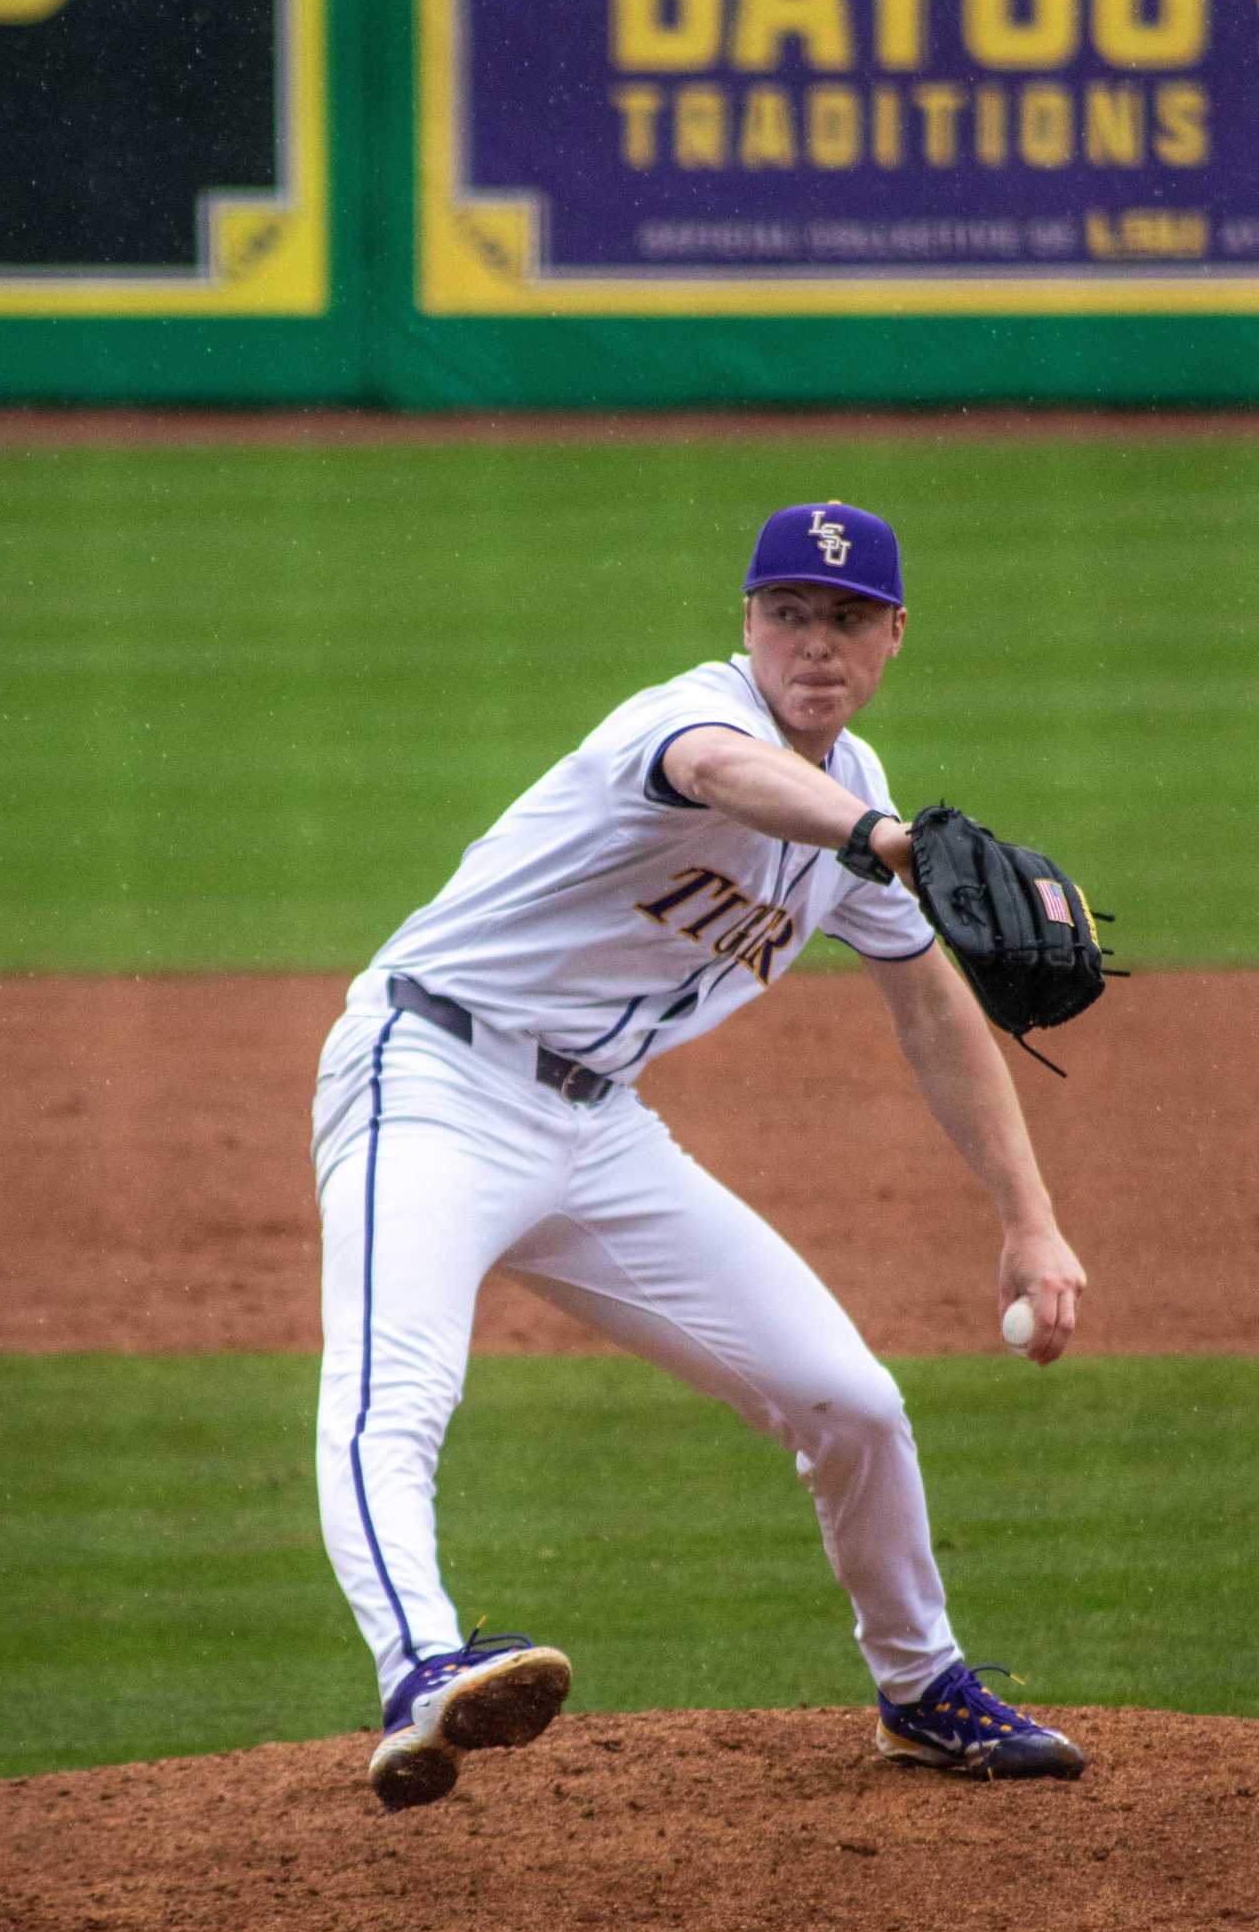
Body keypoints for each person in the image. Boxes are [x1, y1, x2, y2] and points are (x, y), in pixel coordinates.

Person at [311, 500, 1087, 1812]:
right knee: (400, 1387)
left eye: (846, 618)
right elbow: (726, 777)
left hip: (598, 1130)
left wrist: (1032, 1218)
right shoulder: (684, 718)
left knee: (851, 1401)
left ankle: (924, 1692)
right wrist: (878, 842)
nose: (814, 643)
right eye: (788, 612)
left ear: (894, 634)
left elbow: (933, 1008)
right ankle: (418, 1669)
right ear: (747, 624)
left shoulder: (862, 797)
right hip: (430, 1071)